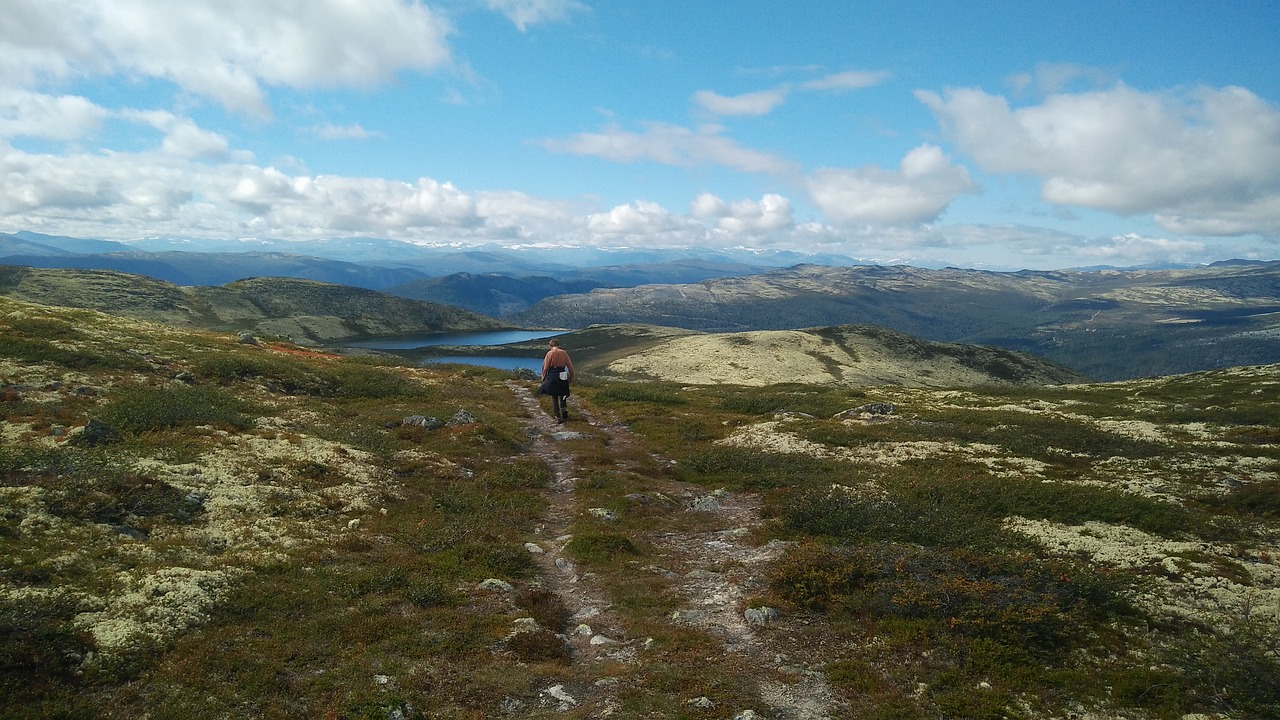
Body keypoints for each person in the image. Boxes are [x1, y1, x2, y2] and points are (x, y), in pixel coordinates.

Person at [540, 338, 574, 424]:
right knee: (563, 393)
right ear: (558, 345)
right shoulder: (564, 353)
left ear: (550, 346)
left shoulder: (550, 353)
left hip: (553, 374)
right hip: (562, 374)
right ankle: (564, 409)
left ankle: (557, 415)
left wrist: (543, 378)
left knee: (554, 395)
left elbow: (545, 368)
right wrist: (571, 377)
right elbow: (570, 367)